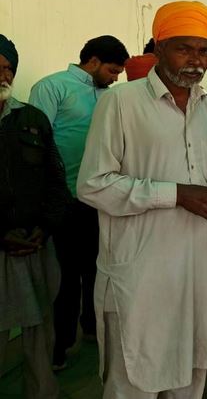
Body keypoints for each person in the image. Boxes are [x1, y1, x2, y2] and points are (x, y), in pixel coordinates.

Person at [77, 1, 207, 398]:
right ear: (160, 48)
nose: (196, 61)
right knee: (134, 379)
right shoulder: (120, 103)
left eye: (204, 51)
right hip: (140, 272)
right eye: (184, 49)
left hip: (194, 270)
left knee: (190, 376)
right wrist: (176, 195)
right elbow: (93, 185)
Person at [29, 35, 129, 370]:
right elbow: (36, 143)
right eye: (112, 71)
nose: (115, 78)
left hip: (101, 199)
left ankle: (92, 328)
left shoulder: (112, 97)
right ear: (94, 61)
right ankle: (59, 347)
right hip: (65, 199)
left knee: (98, 269)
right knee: (66, 278)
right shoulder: (52, 87)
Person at [0, 36, 68, 398]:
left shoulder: (32, 119)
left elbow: (56, 180)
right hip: (3, 243)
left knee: (40, 328)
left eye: (8, 68)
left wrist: (45, 227)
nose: (4, 76)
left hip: (33, 242)